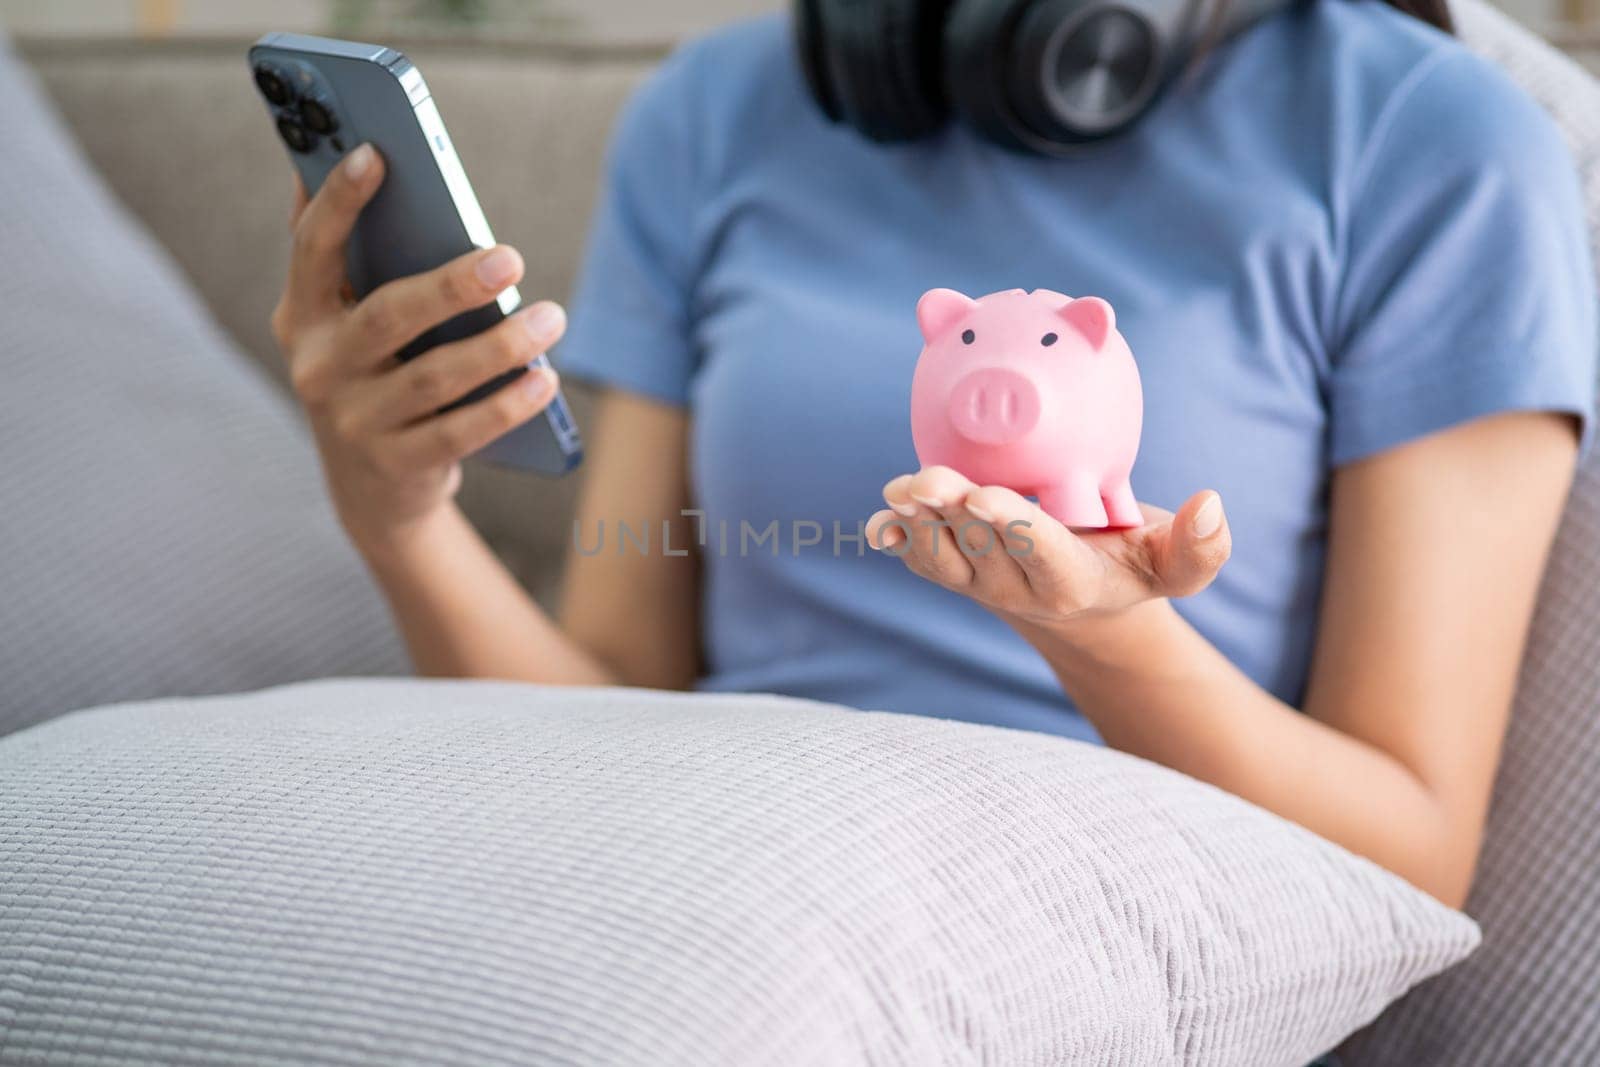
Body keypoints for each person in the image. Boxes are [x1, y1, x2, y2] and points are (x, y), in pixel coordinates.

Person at [268, 0, 1596, 909]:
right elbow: (606, 701)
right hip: (695, 875)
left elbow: (1411, 854)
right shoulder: (717, 114)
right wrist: (396, 514)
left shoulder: (1439, 145)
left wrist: (1103, 638)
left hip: (1113, 916)